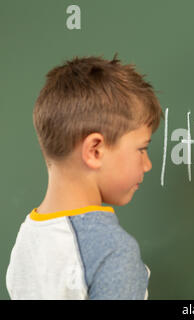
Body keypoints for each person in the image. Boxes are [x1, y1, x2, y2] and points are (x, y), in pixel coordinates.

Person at [6, 54, 163, 299]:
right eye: (141, 149)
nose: (148, 164)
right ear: (95, 151)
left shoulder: (26, 238)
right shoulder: (113, 251)